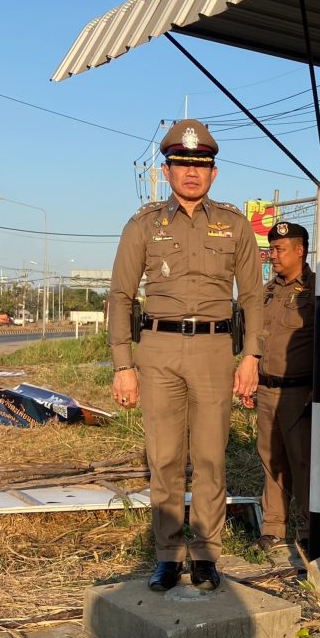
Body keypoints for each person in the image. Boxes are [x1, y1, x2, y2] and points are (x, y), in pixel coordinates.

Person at [109, 119, 263, 593]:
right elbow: (120, 295)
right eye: (182, 164)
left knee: (211, 457)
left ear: (214, 173)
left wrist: (251, 356)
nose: (191, 173)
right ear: (166, 171)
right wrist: (123, 365)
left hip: (215, 349)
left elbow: (252, 297)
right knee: (165, 457)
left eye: (200, 165)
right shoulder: (143, 225)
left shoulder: (235, 225)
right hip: (158, 350)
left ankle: (206, 554)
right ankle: (167, 555)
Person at [243, 221, 314, 554]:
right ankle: (273, 526)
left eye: (279, 249)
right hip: (268, 390)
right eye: (271, 249)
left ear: (300, 251)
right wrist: (250, 378)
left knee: (302, 461)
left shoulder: (318, 290)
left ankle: (308, 528)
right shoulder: (268, 291)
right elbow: (256, 339)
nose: (272, 255)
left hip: (300, 391)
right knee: (271, 458)